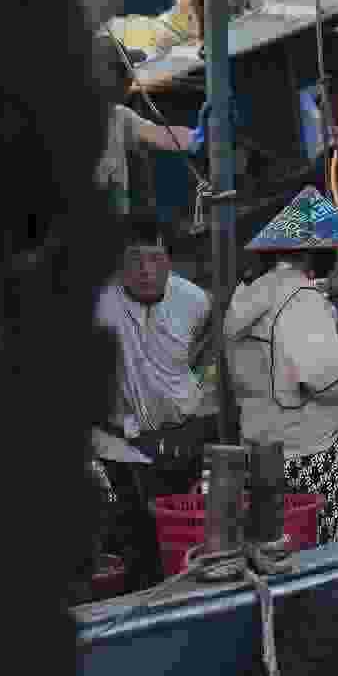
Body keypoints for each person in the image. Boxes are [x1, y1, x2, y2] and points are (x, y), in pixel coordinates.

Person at [224, 187, 338, 541]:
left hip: (260, 447)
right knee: (320, 549)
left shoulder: (247, 293)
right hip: (308, 451)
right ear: (311, 252)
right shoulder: (299, 298)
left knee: (272, 546)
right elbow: (324, 378)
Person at [89, 219, 213, 573]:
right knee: (136, 536)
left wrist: (199, 391)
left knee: (182, 532)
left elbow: (213, 350)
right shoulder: (96, 304)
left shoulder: (195, 301)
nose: (146, 271)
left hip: (179, 441)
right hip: (119, 443)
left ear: (170, 261)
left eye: (155, 259)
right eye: (134, 260)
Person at [94, 54, 208, 219]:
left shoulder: (120, 115)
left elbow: (162, 135)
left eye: (129, 70)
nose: (130, 78)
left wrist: (199, 135)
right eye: (123, 71)